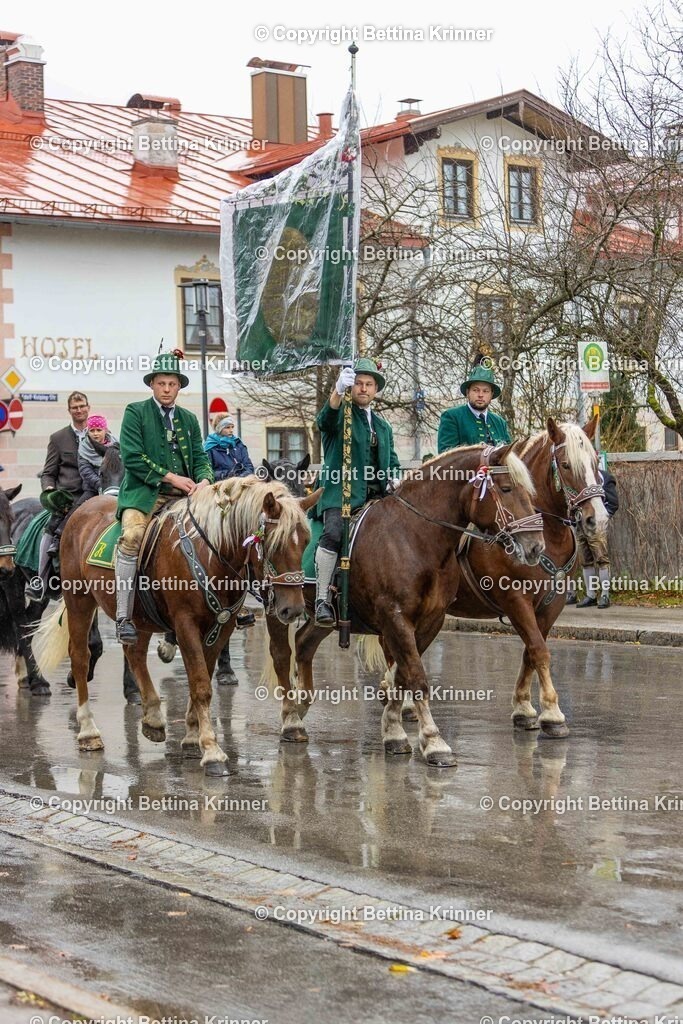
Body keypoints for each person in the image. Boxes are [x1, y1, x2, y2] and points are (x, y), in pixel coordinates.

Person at [114, 350, 213, 645]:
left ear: (179, 386)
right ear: (152, 385)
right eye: (161, 383)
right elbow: (132, 457)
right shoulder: (135, 412)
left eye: (172, 384)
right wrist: (172, 478)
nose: (167, 389)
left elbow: (200, 456)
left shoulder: (189, 419)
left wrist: (205, 479)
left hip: (186, 497)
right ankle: (123, 616)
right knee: (131, 537)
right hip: (144, 495)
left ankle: (230, 603)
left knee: (221, 529)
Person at [314, 357, 401, 626]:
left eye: (369, 384)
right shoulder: (341, 414)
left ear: (376, 390)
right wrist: (338, 391)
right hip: (341, 494)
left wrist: (395, 478)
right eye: (359, 384)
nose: (363, 388)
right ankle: (322, 599)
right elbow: (324, 421)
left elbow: (393, 461)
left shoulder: (384, 427)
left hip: (377, 498)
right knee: (335, 532)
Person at [27, 391, 90, 602]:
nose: (79, 410)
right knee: (49, 531)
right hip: (67, 498)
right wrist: (49, 490)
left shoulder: (100, 433)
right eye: (75, 407)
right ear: (69, 410)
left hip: (96, 495)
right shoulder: (58, 438)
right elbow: (48, 472)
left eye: (82, 406)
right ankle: (40, 581)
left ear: (88, 408)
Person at [567, 465, 619, 610]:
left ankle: (605, 595)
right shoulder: (578, 478)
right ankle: (590, 595)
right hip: (579, 524)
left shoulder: (604, 477)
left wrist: (602, 517)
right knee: (585, 561)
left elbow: (613, 503)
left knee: (602, 559)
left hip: (596, 524)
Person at [437, 365, 511, 452]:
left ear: (491, 395)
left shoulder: (500, 422)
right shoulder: (452, 417)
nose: (480, 395)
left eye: (485, 391)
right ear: (468, 392)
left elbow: (509, 455)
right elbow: (446, 456)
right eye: (476, 390)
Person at [77, 415, 118, 502]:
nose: (95, 433)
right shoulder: (83, 448)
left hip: (115, 488)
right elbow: (85, 471)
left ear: (105, 430)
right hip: (92, 490)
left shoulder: (116, 445)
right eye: (92, 430)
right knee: (76, 511)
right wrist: (100, 485)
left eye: (99, 430)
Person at [203, 414, 254, 480]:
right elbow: (207, 472)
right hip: (220, 487)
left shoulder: (238, 444)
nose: (231, 430)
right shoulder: (210, 447)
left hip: (241, 484)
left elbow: (249, 466)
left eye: (232, 427)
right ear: (219, 428)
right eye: (227, 427)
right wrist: (226, 475)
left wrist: (239, 478)